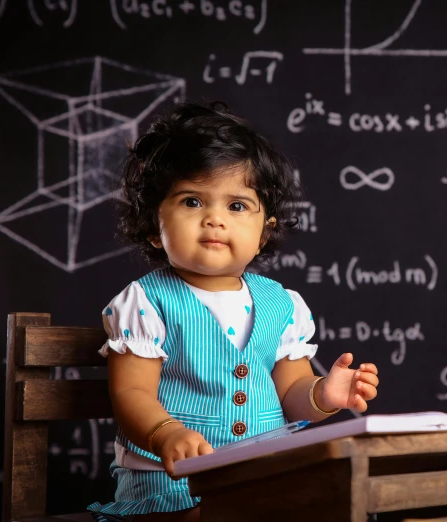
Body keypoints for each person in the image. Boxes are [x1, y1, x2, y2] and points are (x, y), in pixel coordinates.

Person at [87, 101, 379, 521]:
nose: (214, 220)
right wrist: (166, 432)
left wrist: (323, 395)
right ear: (153, 226)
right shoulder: (145, 302)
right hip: (170, 485)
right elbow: (131, 393)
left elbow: (290, 393)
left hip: (259, 480)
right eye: (191, 202)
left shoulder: (282, 304)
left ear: (265, 232)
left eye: (237, 206)